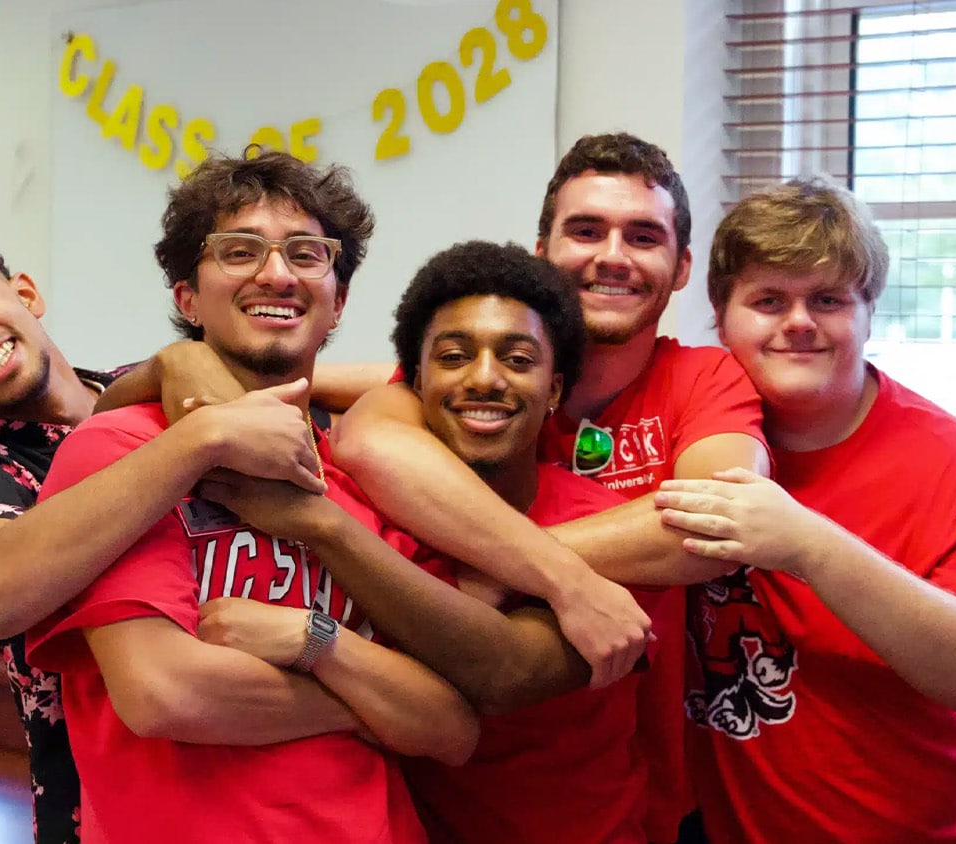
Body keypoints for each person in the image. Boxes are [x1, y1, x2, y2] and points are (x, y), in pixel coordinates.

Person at [23, 150, 478, 844]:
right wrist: (371, 703)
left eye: (306, 253)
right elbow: (164, 693)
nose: (276, 273)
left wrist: (315, 641)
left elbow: (450, 726)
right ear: (187, 298)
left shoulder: (369, 474)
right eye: (239, 252)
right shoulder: (122, 450)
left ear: (339, 301)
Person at [329, 132, 770, 842]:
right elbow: (368, 438)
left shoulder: (702, 381)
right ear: (543, 250)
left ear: (682, 266)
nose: (612, 256)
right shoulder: (482, 389)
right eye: (587, 230)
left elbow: (720, 523)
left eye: (643, 236)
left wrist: (494, 566)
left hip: (624, 802)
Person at [0, 223, 325, 844]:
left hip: (285, 795)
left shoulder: (155, 390)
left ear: (25, 292)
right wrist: (198, 439)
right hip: (116, 814)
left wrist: (175, 361)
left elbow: (364, 388)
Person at [200, 239, 670, 843]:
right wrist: (174, 362)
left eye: (519, 360)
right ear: (413, 382)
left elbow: (503, 677)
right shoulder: (367, 499)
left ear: (555, 390)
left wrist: (318, 536)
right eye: (453, 357)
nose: (484, 379)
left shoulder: (609, 529)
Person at [655, 176, 956, 842]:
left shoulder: (945, 459)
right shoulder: (687, 430)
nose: (799, 322)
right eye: (768, 300)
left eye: (829, 299)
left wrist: (807, 544)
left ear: (868, 313)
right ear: (721, 317)